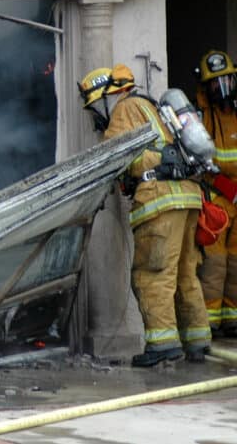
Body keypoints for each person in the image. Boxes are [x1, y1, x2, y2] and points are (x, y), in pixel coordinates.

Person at [78, 64, 211, 365]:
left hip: (159, 202)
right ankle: (198, 341)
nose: (97, 114)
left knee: (152, 274)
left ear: (108, 95)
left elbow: (113, 157)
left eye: (96, 105)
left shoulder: (124, 110)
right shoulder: (153, 107)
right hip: (188, 198)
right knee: (184, 274)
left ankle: (162, 346)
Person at [194, 50, 237, 337]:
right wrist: (228, 189)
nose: (222, 89)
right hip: (217, 198)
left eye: (227, 81)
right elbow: (200, 162)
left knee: (236, 262)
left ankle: (232, 318)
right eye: (215, 84)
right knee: (215, 262)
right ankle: (209, 322)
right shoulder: (200, 118)